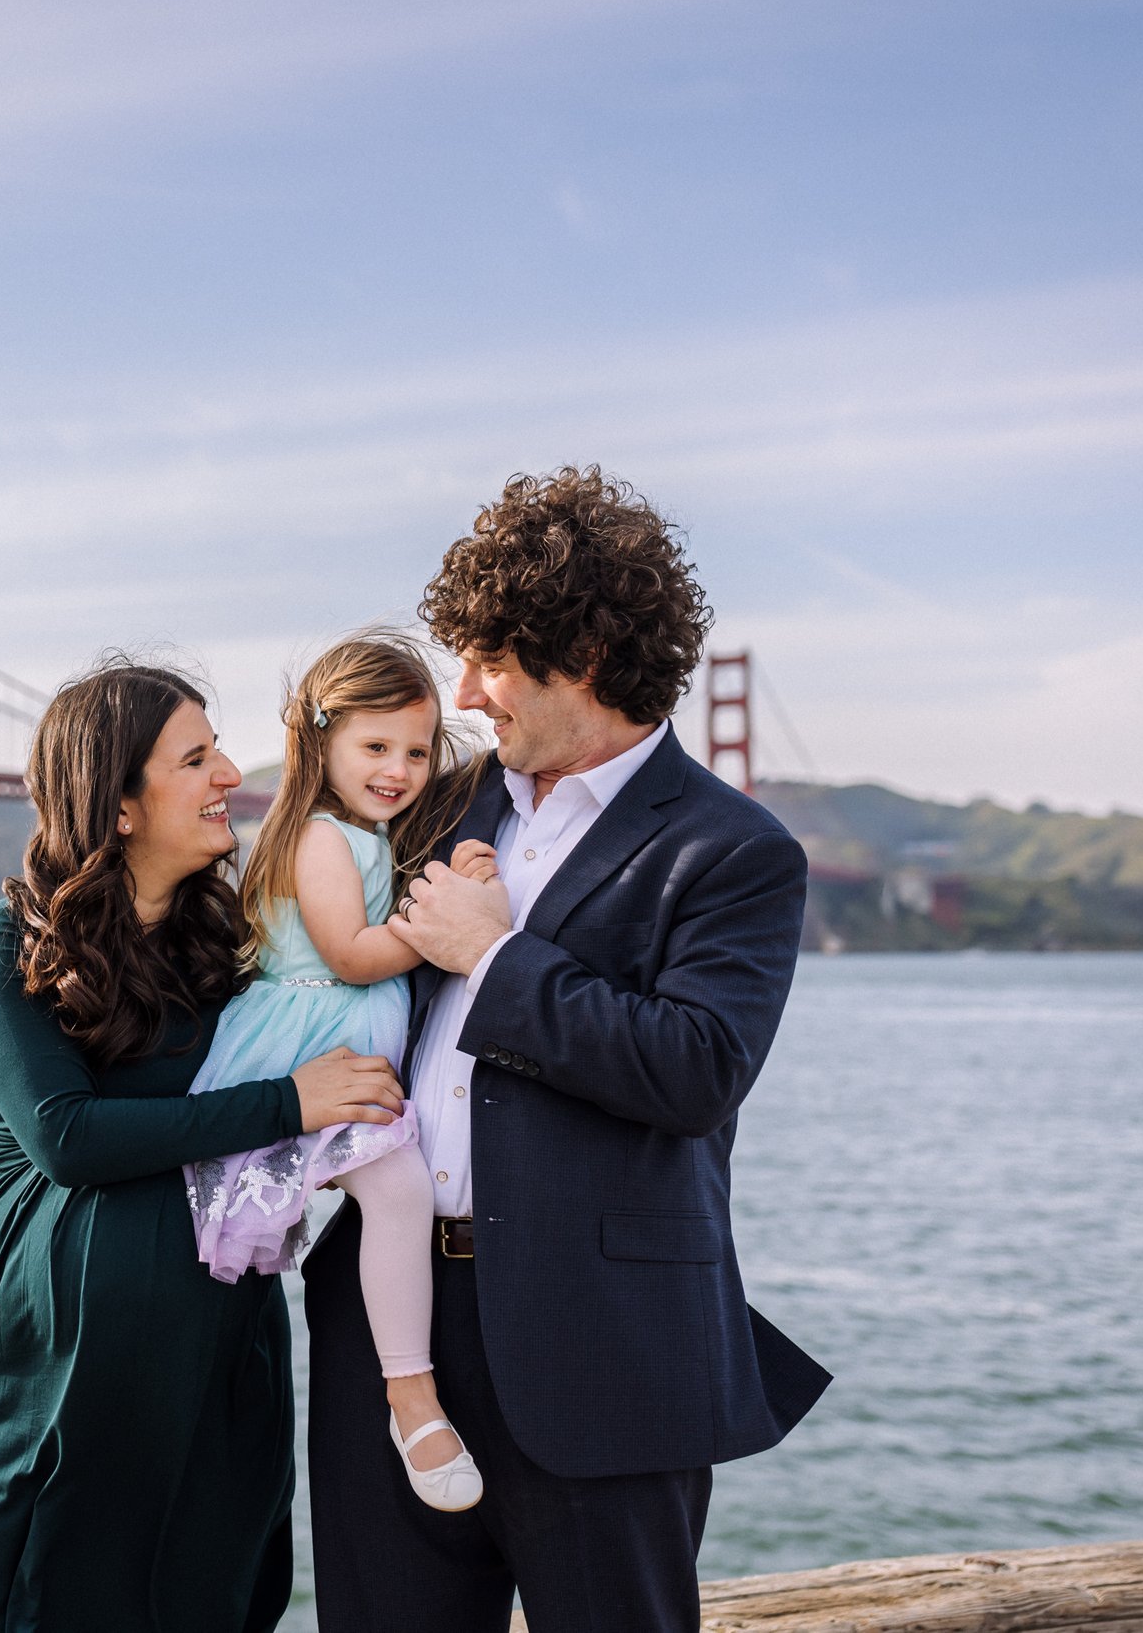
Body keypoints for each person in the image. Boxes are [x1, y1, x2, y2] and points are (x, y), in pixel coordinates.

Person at [303, 467, 833, 1633]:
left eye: (491, 658)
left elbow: (695, 1071)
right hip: (385, 1335)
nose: (465, 690)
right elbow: (301, 915)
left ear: (581, 657)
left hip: (603, 1347)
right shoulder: (437, 805)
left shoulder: (733, 850)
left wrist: (495, 962)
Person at [0, 660, 408, 1633]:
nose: (230, 774)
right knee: (56, 1593)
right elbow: (65, 1137)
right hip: (61, 1354)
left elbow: (344, 1006)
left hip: (223, 1332)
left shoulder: (230, 941)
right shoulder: (10, 941)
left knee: (224, 1587)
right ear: (115, 805)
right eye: (195, 758)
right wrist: (288, 1102)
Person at [183, 634, 488, 1512]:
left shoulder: (366, 833)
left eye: (418, 751)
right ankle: (410, 1395)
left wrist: (454, 875)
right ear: (322, 744)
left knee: (389, 1192)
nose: (399, 769)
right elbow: (355, 955)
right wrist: (455, 925)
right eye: (375, 746)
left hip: (335, 1048)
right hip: (307, 1043)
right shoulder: (321, 836)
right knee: (398, 1191)